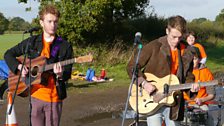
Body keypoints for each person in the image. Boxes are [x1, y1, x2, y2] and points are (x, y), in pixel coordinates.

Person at [4, 4, 74, 126]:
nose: (53, 25)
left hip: (54, 97)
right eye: (49, 21)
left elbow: (67, 73)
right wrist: (19, 67)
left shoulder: (64, 46)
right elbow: (8, 54)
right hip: (34, 96)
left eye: (55, 21)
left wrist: (60, 74)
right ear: (41, 22)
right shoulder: (32, 42)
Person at [127, 15, 200, 126]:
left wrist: (193, 89)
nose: (176, 41)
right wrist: (144, 83)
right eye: (173, 37)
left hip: (174, 103)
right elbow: (132, 66)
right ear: (167, 31)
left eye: (180, 38)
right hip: (153, 97)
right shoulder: (154, 46)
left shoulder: (187, 51)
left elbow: (188, 77)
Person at [183, 47, 215, 126]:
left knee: (209, 119)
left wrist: (202, 99)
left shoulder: (206, 72)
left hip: (201, 105)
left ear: (199, 59)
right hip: (184, 104)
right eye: (190, 59)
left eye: (194, 59)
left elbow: (212, 94)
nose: (192, 61)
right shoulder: (181, 72)